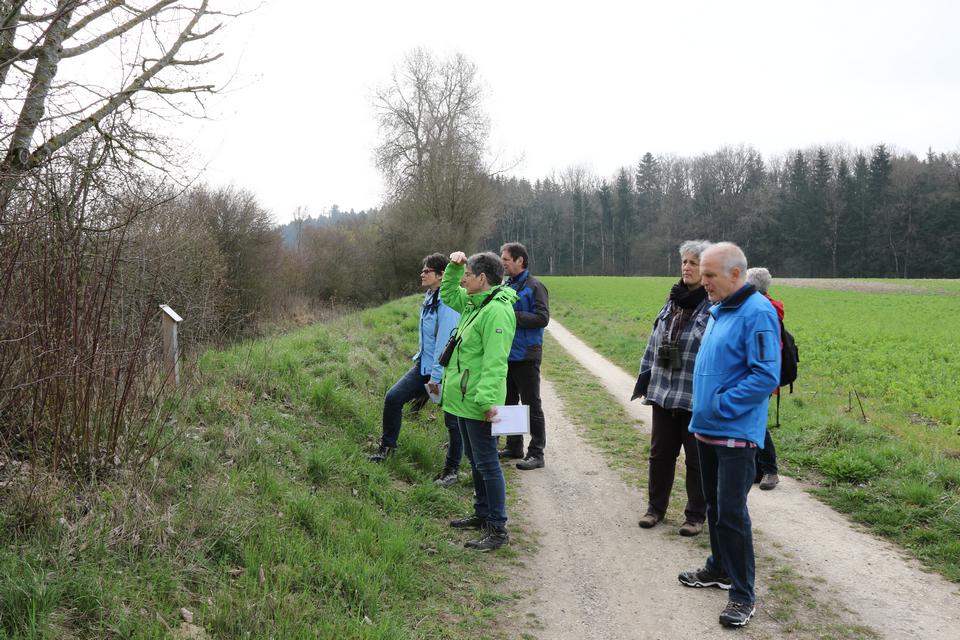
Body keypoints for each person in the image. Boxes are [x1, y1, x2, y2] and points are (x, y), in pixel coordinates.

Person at [678, 242, 780, 629]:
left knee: (732, 514)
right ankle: (719, 568)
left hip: (735, 433)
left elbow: (765, 375)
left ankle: (742, 593)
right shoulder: (720, 309)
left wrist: (720, 404)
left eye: (709, 275)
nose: (703, 281)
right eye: (702, 274)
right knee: (715, 508)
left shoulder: (758, 312)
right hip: (706, 429)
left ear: (735, 274)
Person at [632, 240, 712, 536]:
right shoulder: (672, 300)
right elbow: (654, 341)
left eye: (693, 263)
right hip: (664, 393)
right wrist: (645, 378)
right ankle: (655, 509)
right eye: (684, 262)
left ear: (705, 269)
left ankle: (695, 516)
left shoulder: (713, 305)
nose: (686, 267)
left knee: (697, 460)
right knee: (660, 455)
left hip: (695, 396)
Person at [440, 250, 518, 551]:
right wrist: (453, 266)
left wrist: (486, 402)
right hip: (464, 398)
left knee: (487, 463)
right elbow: (448, 293)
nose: (463, 281)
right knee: (475, 460)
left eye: (468, 275)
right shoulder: (475, 303)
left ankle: (497, 528)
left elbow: (495, 362)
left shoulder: (496, 311)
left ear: (482, 278)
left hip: (478, 401)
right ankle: (482, 513)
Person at [369, 253, 463, 489]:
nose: (422, 273)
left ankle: (452, 470)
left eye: (427, 270)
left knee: (453, 420)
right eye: (423, 270)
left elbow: (445, 342)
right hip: (423, 366)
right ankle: (387, 449)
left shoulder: (447, 303)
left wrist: (436, 378)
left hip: (443, 371)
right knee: (393, 398)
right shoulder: (430, 296)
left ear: (441, 275)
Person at [498, 242, 550, 470]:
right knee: (509, 402)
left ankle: (537, 453)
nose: (502, 263)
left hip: (527, 354)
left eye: (506, 259)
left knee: (531, 404)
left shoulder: (535, 286)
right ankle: (514, 446)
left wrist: (513, 315)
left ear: (520, 260)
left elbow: (543, 318)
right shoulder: (506, 285)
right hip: (507, 353)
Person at [745, 267, 783, 491]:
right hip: (762, 374)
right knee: (753, 420)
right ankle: (760, 470)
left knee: (756, 421)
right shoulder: (764, 306)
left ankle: (770, 470)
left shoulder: (764, 309)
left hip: (762, 376)